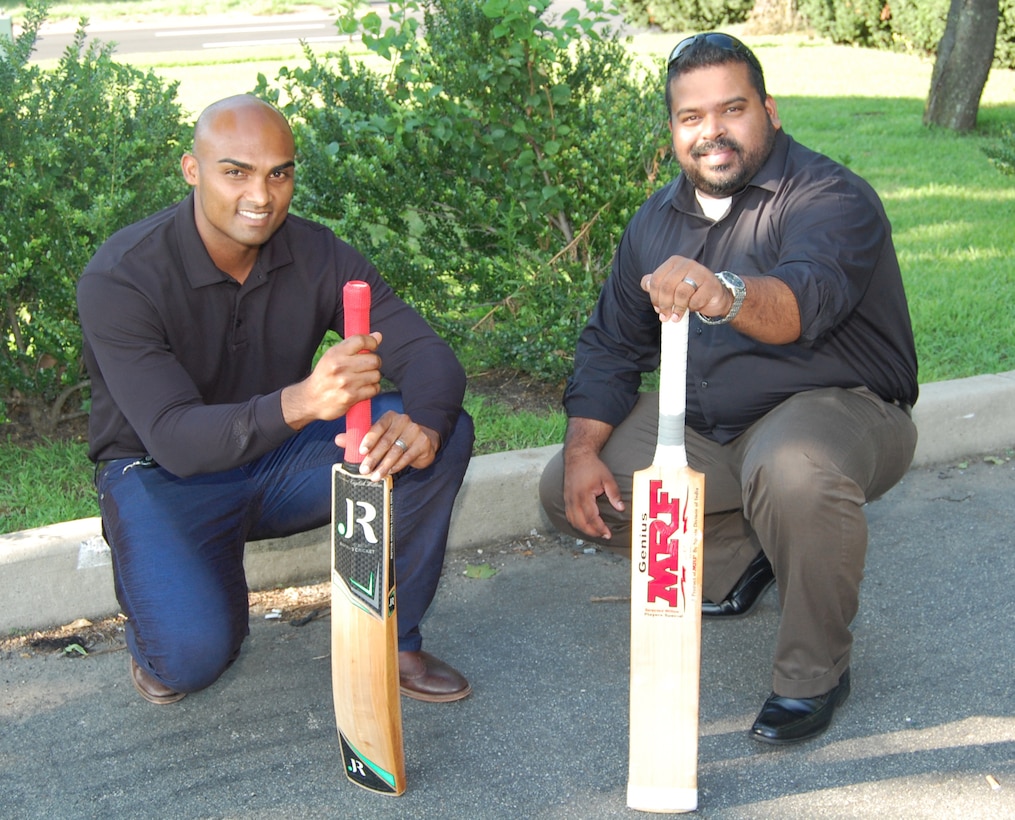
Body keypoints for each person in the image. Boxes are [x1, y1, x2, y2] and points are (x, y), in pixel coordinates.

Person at [539, 33, 918, 745]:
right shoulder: (655, 220)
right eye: (690, 117)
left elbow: (804, 297)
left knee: (794, 471)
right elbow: (613, 346)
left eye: (731, 109)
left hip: (841, 407)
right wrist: (585, 446)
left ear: (768, 111)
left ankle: (814, 672)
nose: (710, 131)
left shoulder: (829, 197)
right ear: (673, 132)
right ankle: (743, 556)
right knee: (576, 483)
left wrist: (725, 293)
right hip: (713, 421)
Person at [78, 94, 474, 706]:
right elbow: (175, 437)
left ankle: (393, 642)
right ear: (192, 169)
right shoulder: (123, 276)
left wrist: (424, 423)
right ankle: (161, 585)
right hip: (161, 474)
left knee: (433, 435)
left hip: (279, 462)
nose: (260, 196)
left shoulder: (316, 254)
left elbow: (425, 354)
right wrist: (302, 401)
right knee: (190, 660)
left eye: (278, 173)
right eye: (235, 171)